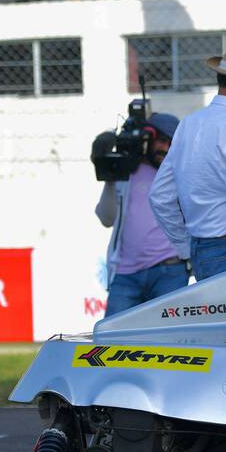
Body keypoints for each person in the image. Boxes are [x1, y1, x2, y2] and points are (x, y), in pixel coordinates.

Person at [149, 41, 226, 281]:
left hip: (202, 250)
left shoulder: (189, 123)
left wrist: (186, 247)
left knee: (218, 318)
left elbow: (160, 195)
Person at [96, 113, 191, 316]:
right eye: (162, 141)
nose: (165, 148)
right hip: (125, 274)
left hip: (170, 271)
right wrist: (109, 177)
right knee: (110, 340)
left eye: (170, 143)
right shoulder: (127, 172)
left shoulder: (180, 173)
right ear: (148, 139)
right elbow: (106, 218)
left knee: (171, 343)